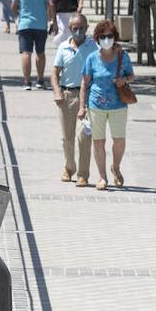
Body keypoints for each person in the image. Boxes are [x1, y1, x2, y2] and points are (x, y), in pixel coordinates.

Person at [77, 19, 134, 190]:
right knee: (98, 142)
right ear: (97, 38)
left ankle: (115, 166)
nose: (106, 39)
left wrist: (124, 79)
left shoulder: (123, 57)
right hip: (96, 105)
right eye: (103, 36)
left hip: (118, 105)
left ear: (115, 37)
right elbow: (85, 83)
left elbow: (131, 75)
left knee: (119, 141)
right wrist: (82, 106)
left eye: (109, 36)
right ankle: (102, 177)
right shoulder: (92, 58)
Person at [51, 14, 97, 186]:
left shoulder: (93, 47)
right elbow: (54, 73)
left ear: (87, 28)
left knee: (84, 136)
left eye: (82, 27)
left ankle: (83, 174)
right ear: (70, 29)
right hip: (67, 96)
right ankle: (69, 168)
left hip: (88, 97)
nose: (78, 31)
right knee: (67, 138)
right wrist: (57, 92)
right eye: (75, 28)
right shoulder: (63, 48)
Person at [11, 0, 55, 90]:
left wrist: (18, 13)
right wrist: (53, 21)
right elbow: (51, 4)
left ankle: (26, 82)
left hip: (24, 25)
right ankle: (40, 81)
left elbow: (13, 6)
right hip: (40, 25)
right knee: (40, 53)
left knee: (26, 53)